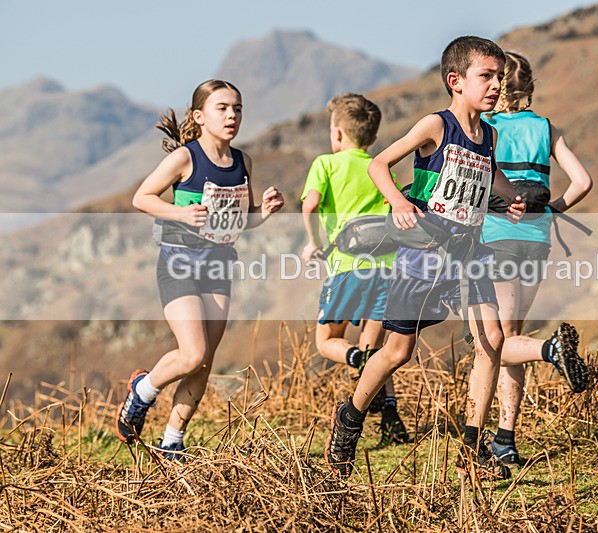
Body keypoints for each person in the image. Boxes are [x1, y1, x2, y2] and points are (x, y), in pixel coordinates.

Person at [324, 35, 528, 481]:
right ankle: (350, 418)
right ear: (456, 81)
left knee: (492, 340)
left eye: (499, 76)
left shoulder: (489, 135)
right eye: (486, 76)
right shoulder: (436, 126)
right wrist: (399, 201)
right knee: (397, 351)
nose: (496, 85)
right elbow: (378, 164)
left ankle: (472, 448)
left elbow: (491, 174)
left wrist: (511, 197)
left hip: (469, 252)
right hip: (423, 254)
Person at [116, 79, 285, 459]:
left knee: (204, 361)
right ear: (199, 116)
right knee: (192, 353)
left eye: (237, 108)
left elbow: (239, 221)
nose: (231, 115)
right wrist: (180, 213)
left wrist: (265, 212)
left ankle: (172, 441)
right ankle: (142, 391)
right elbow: (142, 197)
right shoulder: (185, 159)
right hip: (179, 263)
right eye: (221, 108)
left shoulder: (243, 162)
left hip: (218, 267)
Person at [481, 51, 593, 467]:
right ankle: (505, 440)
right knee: (511, 337)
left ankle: (550, 350)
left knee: (496, 341)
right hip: (537, 239)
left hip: (496, 237)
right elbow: (583, 182)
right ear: (528, 86)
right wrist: (553, 210)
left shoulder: (484, 128)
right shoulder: (546, 128)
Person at [301, 93, 409, 448]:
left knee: (326, 341)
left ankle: (355, 358)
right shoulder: (380, 167)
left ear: (337, 133)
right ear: (373, 137)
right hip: (387, 268)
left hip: (347, 268)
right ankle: (391, 417)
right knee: (378, 350)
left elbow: (311, 205)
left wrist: (312, 242)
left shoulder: (326, 164)